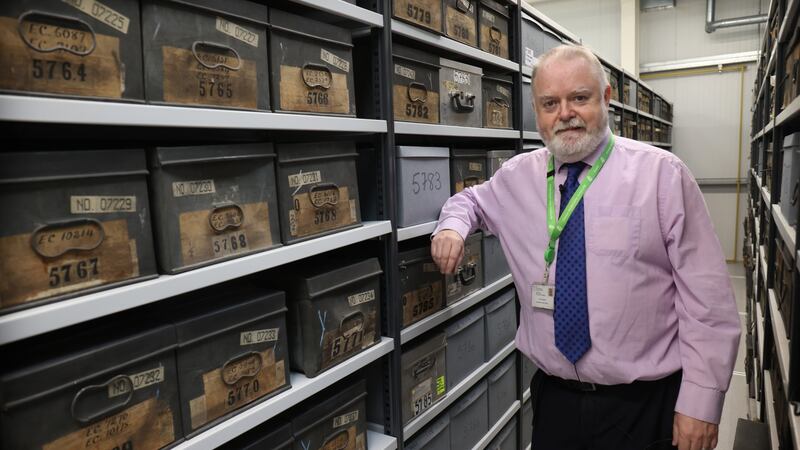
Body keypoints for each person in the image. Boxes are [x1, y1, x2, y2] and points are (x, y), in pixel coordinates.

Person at [430, 44, 740, 450]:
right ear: (537, 111)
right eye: (549, 103)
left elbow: (708, 302)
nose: (565, 114)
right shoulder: (517, 178)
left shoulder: (661, 177)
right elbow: (469, 200)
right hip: (554, 401)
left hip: (644, 406)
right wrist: (452, 227)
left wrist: (701, 403)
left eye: (579, 98)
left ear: (606, 98)